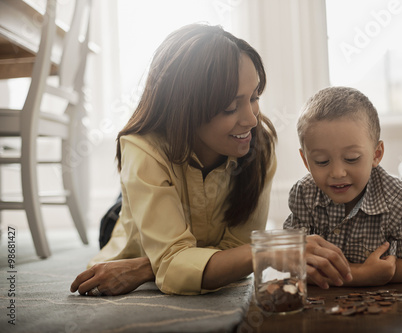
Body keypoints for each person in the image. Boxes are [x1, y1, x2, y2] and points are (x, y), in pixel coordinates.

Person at [70, 24, 352, 296]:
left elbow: (236, 251)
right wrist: (272, 248)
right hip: (134, 235)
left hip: (187, 230)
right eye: (230, 107)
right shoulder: (144, 148)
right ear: (185, 109)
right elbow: (179, 263)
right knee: (128, 207)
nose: (251, 119)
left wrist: (148, 268)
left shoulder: (259, 145)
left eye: (254, 97)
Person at [284, 86, 402, 287]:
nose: (337, 173)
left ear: (376, 154)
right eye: (322, 161)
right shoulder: (303, 194)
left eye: (351, 158)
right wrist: (360, 274)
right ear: (306, 161)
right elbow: (291, 261)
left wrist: (374, 274)